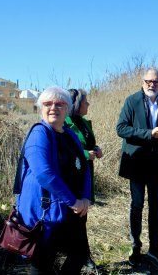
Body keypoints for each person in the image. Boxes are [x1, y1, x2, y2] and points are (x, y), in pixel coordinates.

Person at [17, 86, 91, 274]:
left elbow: (84, 166)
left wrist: (85, 197)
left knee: (80, 254)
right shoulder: (39, 133)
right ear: (41, 107)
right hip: (47, 210)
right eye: (48, 103)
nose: (53, 108)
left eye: (60, 104)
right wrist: (73, 201)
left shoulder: (70, 134)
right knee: (42, 262)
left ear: (67, 109)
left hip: (72, 208)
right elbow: (44, 174)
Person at [116, 67, 158, 267]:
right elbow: (121, 128)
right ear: (142, 82)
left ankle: (155, 248)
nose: (151, 85)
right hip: (137, 162)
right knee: (136, 205)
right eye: (148, 81)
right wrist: (149, 134)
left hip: (157, 164)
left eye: (156, 82)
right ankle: (135, 247)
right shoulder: (132, 101)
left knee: (156, 206)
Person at [65, 88, 103, 269]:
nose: (88, 104)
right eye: (85, 101)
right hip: (72, 177)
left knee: (81, 218)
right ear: (76, 104)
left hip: (85, 174)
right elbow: (65, 150)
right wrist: (83, 154)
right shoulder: (64, 123)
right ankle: (81, 258)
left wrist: (96, 149)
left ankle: (80, 257)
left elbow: (88, 143)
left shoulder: (84, 123)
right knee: (76, 218)